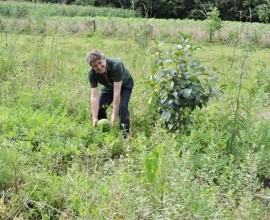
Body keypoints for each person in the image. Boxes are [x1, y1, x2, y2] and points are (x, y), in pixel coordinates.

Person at [87, 49, 134, 138]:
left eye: (100, 63)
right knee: (99, 107)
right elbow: (94, 96)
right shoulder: (92, 74)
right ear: (92, 67)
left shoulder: (116, 65)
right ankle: (104, 131)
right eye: (95, 66)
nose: (99, 67)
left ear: (104, 59)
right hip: (110, 85)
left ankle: (125, 135)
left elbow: (117, 92)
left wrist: (113, 114)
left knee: (122, 107)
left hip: (125, 84)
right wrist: (94, 117)